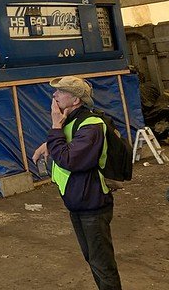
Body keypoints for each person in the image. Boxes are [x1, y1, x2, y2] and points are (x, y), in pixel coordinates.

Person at [31, 76, 122, 290]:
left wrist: (54, 127)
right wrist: (49, 143)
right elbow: (68, 143)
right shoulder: (73, 122)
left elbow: (71, 159)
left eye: (60, 92)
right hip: (79, 204)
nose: (54, 96)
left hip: (93, 205)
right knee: (92, 259)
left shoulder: (91, 126)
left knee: (102, 264)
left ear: (75, 100)